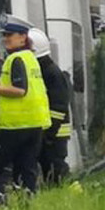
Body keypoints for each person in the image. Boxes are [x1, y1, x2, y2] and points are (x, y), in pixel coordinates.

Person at [0, 18, 52, 204]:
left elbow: (20, 90)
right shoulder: (31, 58)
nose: (6, 39)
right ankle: (26, 205)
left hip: (15, 124)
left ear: (23, 38)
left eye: (10, 35)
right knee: (26, 168)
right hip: (35, 123)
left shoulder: (15, 59)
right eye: (4, 35)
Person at [29, 28, 73, 187]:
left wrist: (49, 132)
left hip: (55, 133)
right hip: (49, 131)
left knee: (56, 170)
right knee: (49, 169)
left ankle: (70, 192)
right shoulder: (45, 70)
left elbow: (58, 105)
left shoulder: (50, 73)